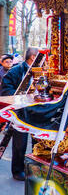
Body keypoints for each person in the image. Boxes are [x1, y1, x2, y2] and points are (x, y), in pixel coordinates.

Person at [0, 47, 39, 181]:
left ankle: (35, 167)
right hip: (20, 110)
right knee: (19, 142)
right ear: (33, 57)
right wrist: (21, 98)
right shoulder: (16, 71)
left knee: (38, 140)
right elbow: (6, 89)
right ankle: (18, 170)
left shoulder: (41, 70)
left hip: (36, 109)